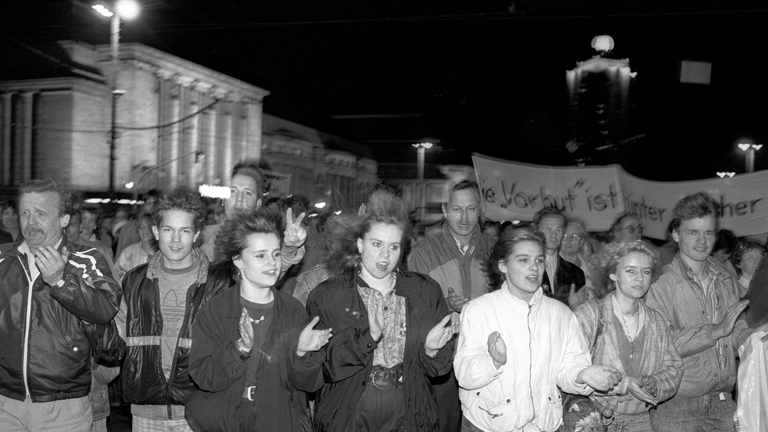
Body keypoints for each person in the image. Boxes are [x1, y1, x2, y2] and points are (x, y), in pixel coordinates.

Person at [307, 191, 456, 432]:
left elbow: (439, 369)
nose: (385, 255)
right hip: (350, 409)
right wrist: (366, 339)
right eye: (376, 244)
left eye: (393, 246)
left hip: (408, 408)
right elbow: (319, 368)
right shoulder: (328, 296)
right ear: (360, 244)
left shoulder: (425, 291)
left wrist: (431, 351)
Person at [454, 227, 622, 432]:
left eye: (539, 260)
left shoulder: (561, 314)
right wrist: (494, 362)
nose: (534, 268)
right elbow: (464, 375)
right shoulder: (479, 310)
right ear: (503, 265)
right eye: (523, 260)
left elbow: (567, 369)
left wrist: (583, 375)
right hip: (487, 425)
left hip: (543, 425)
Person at [186, 209, 330, 431]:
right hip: (229, 419)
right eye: (260, 255)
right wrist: (239, 350)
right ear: (238, 260)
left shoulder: (293, 311)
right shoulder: (216, 310)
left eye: (275, 254)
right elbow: (204, 376)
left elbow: (311, 383)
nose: (272, 263)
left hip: (278, 418)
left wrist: (302, 354)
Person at [0, 179, 121, 431]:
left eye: (40, 213)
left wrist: (60, 281)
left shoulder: (86, 259)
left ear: (64, 219)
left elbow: (105, 309)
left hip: (63, 404)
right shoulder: (3, 260)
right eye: (25, 212)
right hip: (5, 403)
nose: (30, 222)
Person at [117, 189, 229, 431]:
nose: (176, 240)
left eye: (184, 231)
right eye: (168, 230)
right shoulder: (133, 282)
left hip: (198, 411)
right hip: (146, 413)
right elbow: (115, 342)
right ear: (156, 231)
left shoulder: (216, 284)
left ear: (197, 234)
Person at [645, 192, 751, 431]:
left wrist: (753, 337)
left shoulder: (726, 279)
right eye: (692, 232)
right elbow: (661, 345)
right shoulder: (660, 283)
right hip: (676, 405)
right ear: (675, 234)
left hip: (724, 402)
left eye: (708, 233)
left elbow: (735, 332)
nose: (702, 241)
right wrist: (715, 331)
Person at [407, 180, 496, 432]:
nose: (464, 217)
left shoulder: (497, 251)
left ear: (480, 210)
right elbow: (414, 307)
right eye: (457, 209)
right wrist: (445, 306)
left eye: (470, 209)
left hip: (485, 358)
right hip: (442, 362)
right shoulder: (424, 252)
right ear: (446, 210)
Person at [573, 240, 683, 431]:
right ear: (613, 273)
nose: (639, 278)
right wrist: (624, 384)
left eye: (646, 272)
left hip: (640, 421)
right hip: (594, 418)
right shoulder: (589, 315)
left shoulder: (657, 322)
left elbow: (674, 368)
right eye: (631, 271)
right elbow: (572, 369)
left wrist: (655, 384)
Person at [200, 159, 305, 271]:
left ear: (258, 204)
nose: (239, 199)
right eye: (232, 191)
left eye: (247, 193)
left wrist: (289, 247)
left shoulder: (266, 242)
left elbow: (277, 265)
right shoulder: (199, 237)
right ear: (223, 200)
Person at [532, 207, 589, 308]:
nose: (554, 235)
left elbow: (581, 311)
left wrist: (573, 307)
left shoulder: (576, 273)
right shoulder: (527, 268)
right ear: (536, 232)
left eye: (558, 230)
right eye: (548, 230)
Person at [114, 213, 158, 283]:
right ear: (137, 229)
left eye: (149, 226)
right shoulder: (127, 253)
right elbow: (116, 278)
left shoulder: (161, 253)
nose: (145, 230)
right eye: (141, 226)